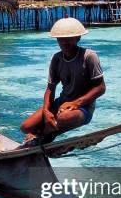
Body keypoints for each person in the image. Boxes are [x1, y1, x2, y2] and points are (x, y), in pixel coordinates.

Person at [20, 17, 105, 147]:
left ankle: (45, 135)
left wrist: (76, 103)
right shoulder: (57, 58)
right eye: (61, 39)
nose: (64, 42)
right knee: (26, 127)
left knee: (62, 118)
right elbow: (50, 88)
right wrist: (46, 111)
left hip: (83, 108)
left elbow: (100, 88)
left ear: (78, 38)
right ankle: (44, 133)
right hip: (61, 103)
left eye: (69, 38)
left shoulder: (89, 56)